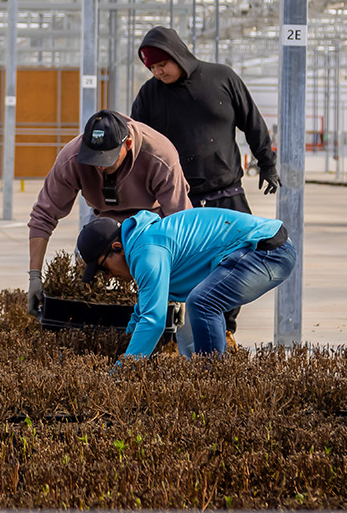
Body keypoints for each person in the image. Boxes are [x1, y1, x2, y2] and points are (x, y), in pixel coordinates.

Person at [26, 110, 191, 316]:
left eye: (107, 160)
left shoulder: (160, 155)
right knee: (87, 297)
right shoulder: (71, 158)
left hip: (151, 225)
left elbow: (181, 224)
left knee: (166, 308)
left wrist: (178, 285)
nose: (99, 166)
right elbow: (43, 215)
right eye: (92, 159)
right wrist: (34, 276)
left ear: (127, 144)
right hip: (101, 221)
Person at [75, 208, 293, 360]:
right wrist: (121, 348)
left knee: (202, 303)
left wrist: (121, 374)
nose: (107, 277)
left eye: (103, 269)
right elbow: (143, 312)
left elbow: (153, 321)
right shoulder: (142, 241)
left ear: (116, 247)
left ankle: (215, 381)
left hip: (269, 251)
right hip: (262, 249)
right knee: (195, 312)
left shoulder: (147, 252)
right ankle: (209, 376)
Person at [130, 26, 279, 211]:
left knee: (243, 240)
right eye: (151, 67)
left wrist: (267, 163)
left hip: (227, 194)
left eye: (162, 64)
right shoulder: (149, 94)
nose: (158, 72)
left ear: (177, 55)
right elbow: (136, 143)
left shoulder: (222, 78)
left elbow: (252, 122)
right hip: (176, 199)